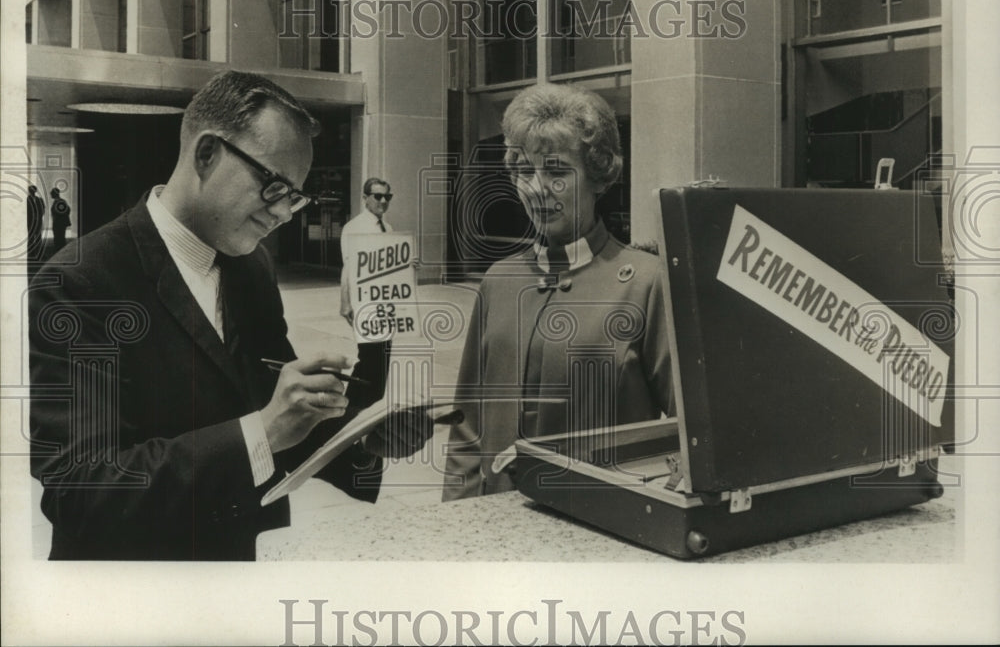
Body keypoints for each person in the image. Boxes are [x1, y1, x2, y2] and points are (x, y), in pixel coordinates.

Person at [30, 71, 432, 560]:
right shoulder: (80, 281)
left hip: (245, 571)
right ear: (206, 155)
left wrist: (360, 438)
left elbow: (278, 419)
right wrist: (263, 431)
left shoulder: (252, 269)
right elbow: (79, 491)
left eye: (296, 197)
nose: (285, 213)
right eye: (275, 186)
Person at [442, 83, 674, 500]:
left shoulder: (648, 282)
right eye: (524, 170)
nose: (536, 188)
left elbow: (689, 434)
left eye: (555, 171)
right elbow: (467, 430)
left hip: (602, 536)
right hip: (495, 538)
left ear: (598, 173)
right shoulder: (498, 281)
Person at [339, 177, 394, 409]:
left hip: (386, 303)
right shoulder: (354, 227)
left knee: (382, 358)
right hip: (365, 302)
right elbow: (348, 266)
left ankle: (372, 406)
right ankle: (351, 408)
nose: (383, 201)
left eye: (387, 197)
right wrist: (345, 302)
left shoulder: (388, 228)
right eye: (377, 196)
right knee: (369, 358)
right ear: (365, 198)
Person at [26, 185, 45, 260]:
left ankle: (38, 253)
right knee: (31, 237)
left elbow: (43, 210)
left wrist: (38, 217)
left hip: (38, 222)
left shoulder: (39, 200)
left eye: (33, 190)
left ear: (35, 191)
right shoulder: (27, 200)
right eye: (31, 190)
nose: (32, 192)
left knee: (38, 237)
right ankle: (31, 253)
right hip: (30, 222)